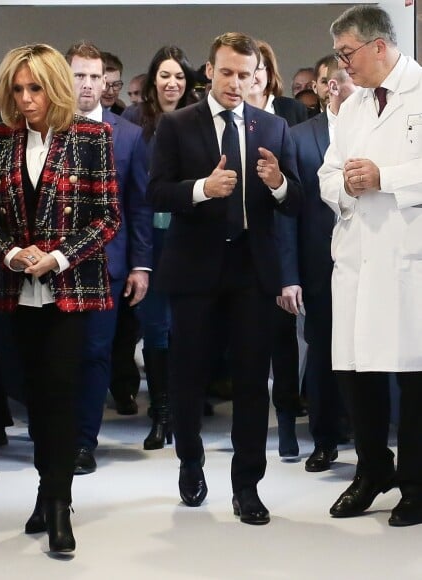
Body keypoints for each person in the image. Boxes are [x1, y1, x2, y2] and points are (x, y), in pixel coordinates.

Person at [147, 32, 302, 524]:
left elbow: (296, 200)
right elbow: (154, 192)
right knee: (189, 377)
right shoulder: (176, 126)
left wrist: (278, 184)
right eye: (229, 72)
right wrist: (202, 189)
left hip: (252, 273)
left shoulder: (273, 127)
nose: (238, 82)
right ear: (210, 72)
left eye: (246, 73)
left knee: (253, 382)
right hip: (194, 270)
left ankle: (247, 486)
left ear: (258, 74)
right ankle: (190, 463)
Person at [0, 43, 120, 553]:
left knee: (61, 393)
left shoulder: (91, 137)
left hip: (70, 288)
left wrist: (57, 258)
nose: (25, 99)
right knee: (33, 396)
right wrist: (15, 254)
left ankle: (59, 504)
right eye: (17, 89)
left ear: (55, 88)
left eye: (34, 88)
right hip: (15, 290)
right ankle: (45, 489)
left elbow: (107, 218)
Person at [318, 5, 422, 527]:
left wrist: (387, 176)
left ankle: (417, 484)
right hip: (358, 256)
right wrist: (347, 185)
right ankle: (372, 470)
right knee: (358, 372)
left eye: (347, 54)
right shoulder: (354, 105)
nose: (343, 66)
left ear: (379, 46)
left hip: (408, 259)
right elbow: (328, 172)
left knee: (413, 374)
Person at [64, 41, 152, 474]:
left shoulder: (128, 135)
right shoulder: (48, 128)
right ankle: (56, 433)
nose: (87, 84)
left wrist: (140, 264)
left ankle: (84, 441)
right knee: (55, 353)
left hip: (108, 264)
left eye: (94, 76)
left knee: (97, 352)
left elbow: (139, 204)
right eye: (79, 75)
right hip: (52, 264)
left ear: (105, 82)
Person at [278, 61, 356, 472]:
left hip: (367, 262)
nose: (346, 88)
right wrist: (289, 276)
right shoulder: (299, 137)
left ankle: (367, 435)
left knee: (368, 354)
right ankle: (324, 439)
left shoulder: (374, 132)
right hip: (318, 264)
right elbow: (288, 212)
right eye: (340, 80)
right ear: (327, 87)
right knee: (324, 353)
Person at [123, 45, 197, 450]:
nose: (172, 83)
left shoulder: (199, 120)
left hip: (188, 239)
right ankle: (161, 412)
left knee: (187, 329)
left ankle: (186, 409)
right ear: (153, 80)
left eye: (179, 77)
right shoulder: (134, 122)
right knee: (155, 330)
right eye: (165, 76)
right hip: (148, 239)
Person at [246, 39, 307, 460]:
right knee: (246, 342)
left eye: (259, 70)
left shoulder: (290, 115)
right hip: (238, 245)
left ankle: (286, 418)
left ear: (269, 75)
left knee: (284, 339)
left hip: (281, 238)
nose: (252, 79)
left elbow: (298, 192)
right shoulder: (223, 121)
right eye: (244, 72)